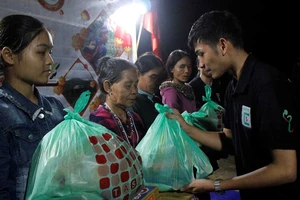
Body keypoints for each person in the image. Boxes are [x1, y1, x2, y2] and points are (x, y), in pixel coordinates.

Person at [166, 10, 300, 200]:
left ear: (222, 45)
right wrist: (185, 127)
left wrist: (217, 185)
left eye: (201, 54)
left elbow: (286, 169)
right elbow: (229, 140)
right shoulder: (233, 87)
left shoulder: (268, 85)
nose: (201, 65)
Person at [0, 15, 66, 200]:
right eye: (41, 52)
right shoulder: (2, 115)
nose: (50, 61)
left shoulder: (56, 108)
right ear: (9, 55)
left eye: (50, 52)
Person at [89, 56, 146, 148]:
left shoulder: (135, 118)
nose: (134, 91)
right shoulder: (98, 121)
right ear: (108, 86)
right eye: (128, 86)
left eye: (135, 85)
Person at [131, 51, 165, 131]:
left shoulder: (157, 99)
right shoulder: (132, 101)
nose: (157, 81)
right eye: (153, 77)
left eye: (159, 78)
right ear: (138, 74)